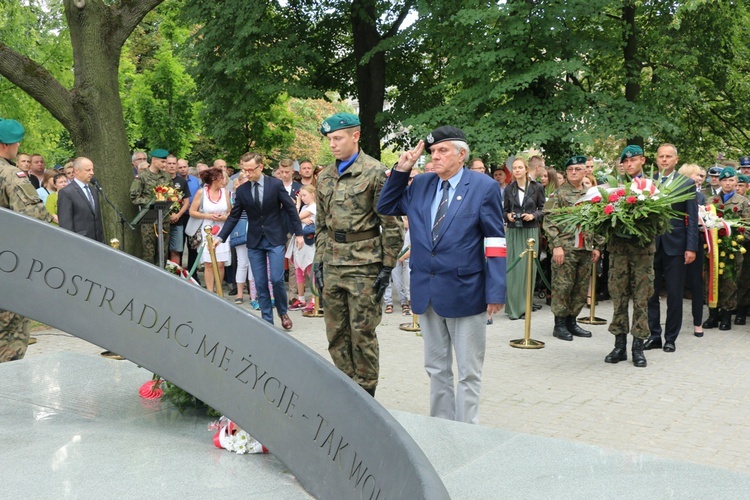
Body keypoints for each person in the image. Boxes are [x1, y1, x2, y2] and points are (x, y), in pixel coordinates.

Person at [378, 125, 506, 424]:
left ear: (461, 155)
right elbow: (386, 205)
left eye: (442, 151)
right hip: (427, 288)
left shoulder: (482, 186)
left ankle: (467, 431)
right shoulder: (422, 184)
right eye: (433, 151)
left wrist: (496, 290)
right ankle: (441, 427)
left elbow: (495, 241)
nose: (434, 156)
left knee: (469, 371)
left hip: (467, 290)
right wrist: (401, 170)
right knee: (436, 368)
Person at [314, 112, 404, 397]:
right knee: (335, 334)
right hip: (332, 263)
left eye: (337, 138)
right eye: (329, 139)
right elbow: (320, 223)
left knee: (362, 333)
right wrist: (318, 259)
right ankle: (345, 390)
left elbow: (391, 222)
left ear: (356, 136)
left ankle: (366, 394)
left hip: (364, 266)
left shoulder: (376, 173)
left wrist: (388, 266)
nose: (332, 145)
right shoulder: (325, 176)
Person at [215, 153, 303, 330]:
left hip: (275, 238)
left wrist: (299, 233)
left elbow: (290, 210)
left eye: (250, 170)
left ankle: (282, 311)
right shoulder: (242, 190)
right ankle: (267, 321)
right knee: (260, 281)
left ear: (260, 167)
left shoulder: (275, 185)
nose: (247, 173)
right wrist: (220, 237)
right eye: (244, 170)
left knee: (277, 278)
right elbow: (234, 217)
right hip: (254, 240)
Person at [0, 118, 53, 363]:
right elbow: (35, 219)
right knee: (10, 341)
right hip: (9, 270)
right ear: (6, 145)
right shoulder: (12, 176)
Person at [644, 144, 698, 353]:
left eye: (669, 156)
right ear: (656, 160)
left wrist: (691, 247)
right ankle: (654, 335)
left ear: (676, 160)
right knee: (651, 292)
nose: (664, 160)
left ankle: (670, 338)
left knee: (675, 294)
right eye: (661, 156)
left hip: (676, 245)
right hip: (651, 245)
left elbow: (691, 218)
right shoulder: (648, 183)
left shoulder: (687, 183)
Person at [543, 156, 603, 341]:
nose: (574, 172)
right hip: (566, 248)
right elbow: (548, 222)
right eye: (570, 169)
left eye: (578, 169)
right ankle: (559, 324)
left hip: (585, 247)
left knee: (580, 286)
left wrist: (597, 246)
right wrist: (557, 246)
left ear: (586, 171)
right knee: (563, 286)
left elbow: (599, 221)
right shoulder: (558, 194)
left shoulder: (592, 195)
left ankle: (572, 321)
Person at [604, 145, 654, 368]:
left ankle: (638, 347)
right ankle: (619, 345)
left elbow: (660, 222)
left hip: (642, 252)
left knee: (641, 299)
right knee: (619, 298)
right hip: (619, 252)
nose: (630, 164)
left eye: (634, 160)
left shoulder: (652, 187)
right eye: (626, 161)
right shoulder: (613, 188)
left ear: (642, 160)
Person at [703, 167, 750, 330]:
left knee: (730, 281)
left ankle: (726, 315)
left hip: (732, 248)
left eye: (731, 180)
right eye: (724, 180)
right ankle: (712, 314)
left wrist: (738, 240)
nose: (728, 183)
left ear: (736, 182)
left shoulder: (743, 202)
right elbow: (703, 223)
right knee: (711, 280)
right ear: (720, 182)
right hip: (713, 248)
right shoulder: (711, 201)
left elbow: (747, 226)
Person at [503, 157, 546, 320]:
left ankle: (525, 307)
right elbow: (503, 211)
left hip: (530, 231)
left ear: (526, 169)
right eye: (514, 168)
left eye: (520, 167)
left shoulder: (537, 188)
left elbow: (543, 209)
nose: (517, 170)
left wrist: (533, 215)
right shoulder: (509, 189)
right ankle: (513, 308)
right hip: (514, 231)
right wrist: (508, 216)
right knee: (514, 270)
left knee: (528, 269)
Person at [190, 168, 232, 294]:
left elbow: (230, 211)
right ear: (214, 179)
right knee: (208, 263)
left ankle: (219, 290)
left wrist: (225, 217)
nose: (224, 181)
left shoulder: (225, 193)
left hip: (222, 229)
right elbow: (192, 211)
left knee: (220, 263)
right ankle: (209, 290)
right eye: (222, 178)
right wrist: (207, 216)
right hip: (207, 229)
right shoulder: (201, 193)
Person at [677, 163, 707, 336]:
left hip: (694, 242)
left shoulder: (700, 196)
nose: (700, 179)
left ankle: (698, 323)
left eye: (702, 176)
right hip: (677, 243)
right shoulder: (675, 193)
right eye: (698, 175)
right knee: (677, 285)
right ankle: (675, 322)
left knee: (696, 283)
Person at [130, 149, 172, 265]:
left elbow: (172, 194)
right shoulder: (141, 177)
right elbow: (134, 197)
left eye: (165, 162)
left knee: (163, 251)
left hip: (164, 218)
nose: (165, 165)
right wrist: (152, 201)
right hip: (149, 219)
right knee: (149, 251)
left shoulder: (166, 177)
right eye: (162, 162)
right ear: (153, 160)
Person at [57, 157, 105, 243]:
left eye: (92, 170)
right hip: (80, 242)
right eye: (88, 170)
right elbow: (65, 224)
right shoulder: (66, 192)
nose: (92, 173)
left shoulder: (93, 190)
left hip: (97, 242)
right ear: (76, 171)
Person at [287, 184, 317, 312]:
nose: (303, 198)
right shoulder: (305, 207)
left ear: (312, 195)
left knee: (311, 271)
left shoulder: (314, 207)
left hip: (308, 243)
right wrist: (303, 221)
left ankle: (315, 300)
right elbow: (294, 218)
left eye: (304, 195)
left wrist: (297, 203)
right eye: (301, 196)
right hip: (299, 242)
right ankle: (301, 298)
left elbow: (295, 217)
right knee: (299, 270)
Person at [165, 155, 190, 264]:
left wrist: (178, 215)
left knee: (176, 250)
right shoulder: (160, 180)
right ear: (165, 164)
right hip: (163, 222)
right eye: (169, 163)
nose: (171, 166)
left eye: (174, 164)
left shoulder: (182, 181)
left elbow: (186, 202)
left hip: (178, 221)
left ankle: (174, 275)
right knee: (162, 251)